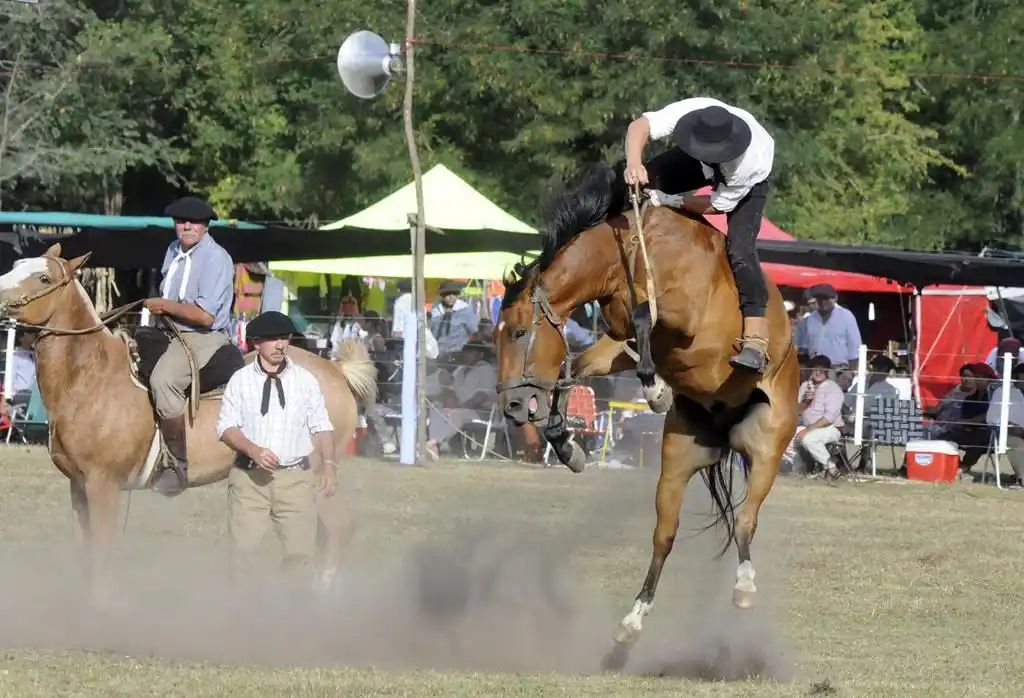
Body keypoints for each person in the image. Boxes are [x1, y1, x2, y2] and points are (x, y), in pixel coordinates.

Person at [624, 97, 775, 374]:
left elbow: (718, 204)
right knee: (645, 181)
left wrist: (669, 200)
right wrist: (634, 163)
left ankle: (755, 341)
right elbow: (640, 126)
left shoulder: (748, 163)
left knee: (739, 250)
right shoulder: (694, 112)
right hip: (701, 163)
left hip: (747, 186)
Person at [216, 311, 338, 583]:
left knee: (300, 554)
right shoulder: (240, 380)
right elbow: (226, 427)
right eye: (272, 339)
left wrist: (329, 465)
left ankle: (289, 617)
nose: (280, 345)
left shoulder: (305, 381)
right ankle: (243, 616)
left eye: (285, 338)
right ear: (256, 343)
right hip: (250, 480)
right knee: (242, 555)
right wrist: (252, 450)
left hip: (295, 479)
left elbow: (321, 426)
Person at [145, 196, 235, 497]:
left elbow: (205, 315)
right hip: (168, 332)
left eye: (193, 222)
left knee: (164, 380)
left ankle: (176, 467)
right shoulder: (173, 251)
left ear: (205, 226)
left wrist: (165, 305)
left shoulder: (216, 258)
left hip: (203, 336)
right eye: (181, 221)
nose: (186, 226)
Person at [794, 355, 845, 478]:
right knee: (785, 438)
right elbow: (795, 411)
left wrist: (808, 430)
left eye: (821, 369)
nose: (817, 372)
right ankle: (805, 468)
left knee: (808, 439)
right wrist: (806, 400)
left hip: (831, 428)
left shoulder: (833, 388)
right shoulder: (805, 386)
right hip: (807, 426)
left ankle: (832, 468)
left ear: (827, 370)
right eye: (814, 368)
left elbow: (828, 419)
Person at [793, 284, 862, 369]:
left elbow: (855, 349)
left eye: (826, 298)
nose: (822, 302)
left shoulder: (846, 317)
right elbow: (804, 349)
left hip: (839, 369)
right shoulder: (810, 320)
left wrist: (851, 373)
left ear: (835, 298)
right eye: (819, 298)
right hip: (815, 368)